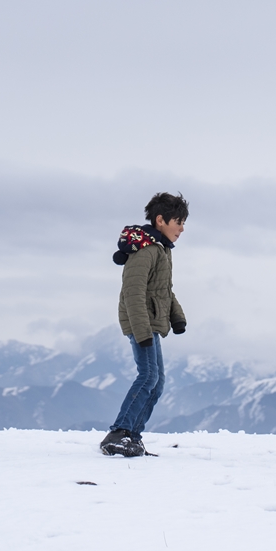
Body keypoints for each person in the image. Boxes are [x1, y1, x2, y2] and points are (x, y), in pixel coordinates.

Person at [99, 192, 189, 457]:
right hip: (142, 323)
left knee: (157, 381)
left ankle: (132, 436)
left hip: (151, 322)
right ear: (160, 220)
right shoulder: (146, 251)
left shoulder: (161, 250)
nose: (182, 228)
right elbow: (133, 292)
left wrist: (177, 317)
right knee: (148, 376)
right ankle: (118, 433)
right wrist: (141, 331)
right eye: (178, 221)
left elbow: (163, 291)